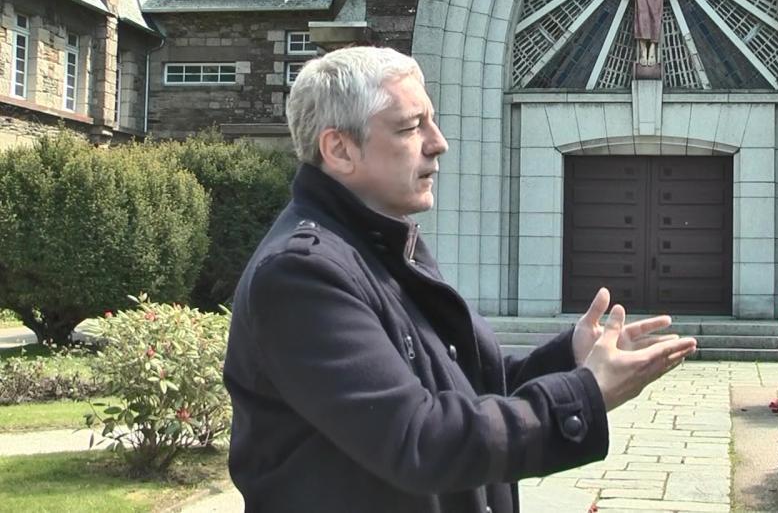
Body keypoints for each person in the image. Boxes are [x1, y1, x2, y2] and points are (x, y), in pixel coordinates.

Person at [223, 46, 697, 512]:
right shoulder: (301, 275)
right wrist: (585, 394)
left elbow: (466, 389)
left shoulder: (381, 246)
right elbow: (420, 440)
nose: (438, 142)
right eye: (411, 127)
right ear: (339, 149)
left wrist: (572, 358)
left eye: (431, 121)